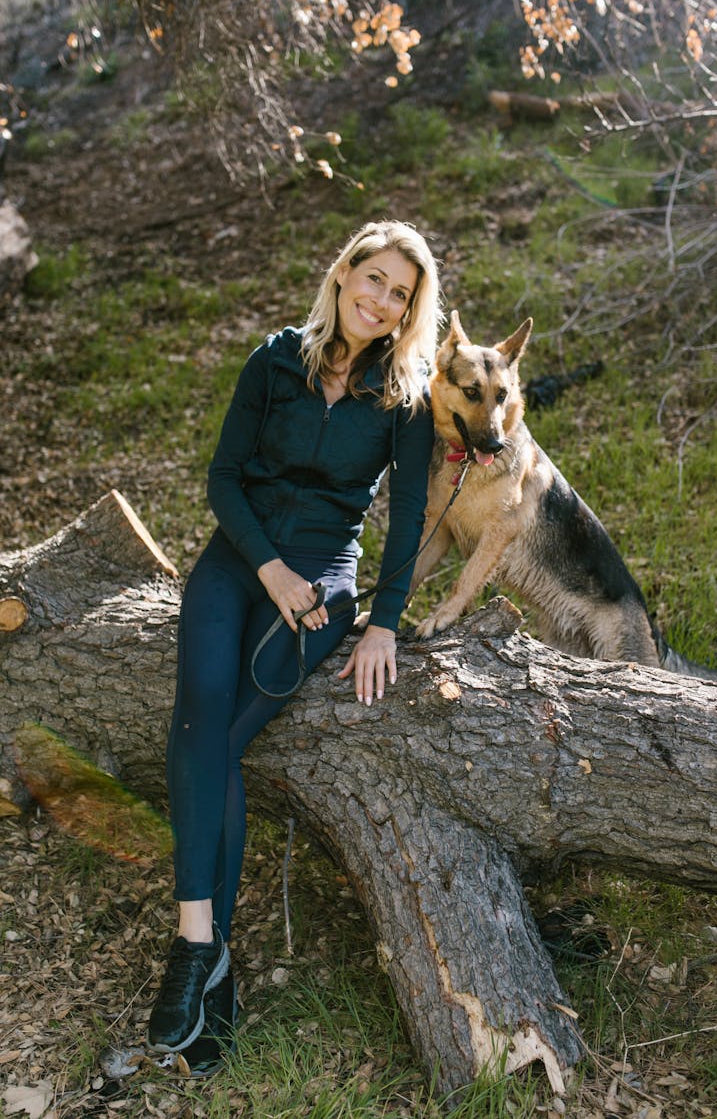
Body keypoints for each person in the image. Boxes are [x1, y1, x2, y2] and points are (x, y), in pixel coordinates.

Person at [146, 220, 442, 1076]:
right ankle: (205, 951)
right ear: (344, 270)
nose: (381, 300)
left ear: (410, 311)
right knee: (200, 718)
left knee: (217, 742)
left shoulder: (405, 397)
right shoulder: (276, 359)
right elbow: (222, 477)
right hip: (237, 563)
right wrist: (265, 568)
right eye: (374, 278)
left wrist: (383, 619)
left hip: (320, 591)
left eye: (401, 294)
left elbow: (410, 517)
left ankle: (199, 957)